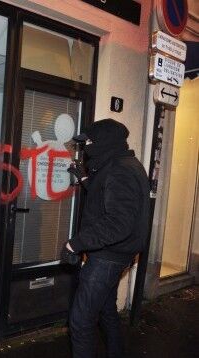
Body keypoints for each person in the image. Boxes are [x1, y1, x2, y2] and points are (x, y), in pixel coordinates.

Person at [63, 118, 150, 358]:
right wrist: (84, 179)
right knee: (106, 312)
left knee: (80, 322)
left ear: (105, 142)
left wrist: (75, 244)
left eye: (90, 141)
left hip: (107, 258)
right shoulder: (122, 164)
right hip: (117, 255)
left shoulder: (120, 170)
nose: (87, 146)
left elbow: (118, 223)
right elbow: (107, 196)